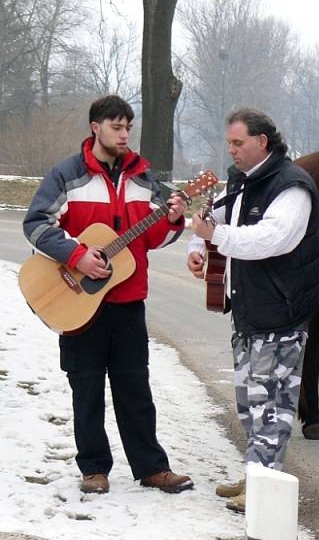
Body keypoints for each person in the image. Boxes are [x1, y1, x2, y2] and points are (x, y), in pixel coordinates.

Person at [22, 95, 193, 495]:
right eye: (117, 126)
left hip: (129, 299)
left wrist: (172, 219)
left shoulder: (144, 179)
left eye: (128, 127)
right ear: (95, 127)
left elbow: (153, 238)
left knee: (136, 388)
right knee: (86, 389)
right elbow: (36, 224)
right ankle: (94, 469)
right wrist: (77, 256)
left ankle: (152, 468)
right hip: (79, 303)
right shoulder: (68, 175)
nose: (124, 134)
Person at [187, 108, 319, 513]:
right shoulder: (243, 180)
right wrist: (199, 249)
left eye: (238, 143)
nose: (230, 150)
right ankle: (256, 474)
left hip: (281, 313)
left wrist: (215, 236)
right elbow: (212, 217)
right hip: (249, 310)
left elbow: (272, 239)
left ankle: (264, 488)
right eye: (229, 142)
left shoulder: (292, 187)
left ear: (262, 142)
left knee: (273, 406)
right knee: (250, 403)